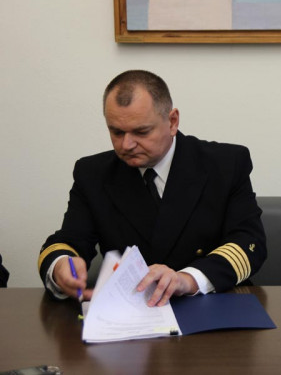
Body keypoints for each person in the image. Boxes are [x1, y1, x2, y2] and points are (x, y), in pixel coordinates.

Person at [38, 70, 266, 306]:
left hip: (212, 306)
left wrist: (187, 279)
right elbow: (69, 241)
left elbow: (249, 243)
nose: (127, 144)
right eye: (116, 132)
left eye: (141, 132)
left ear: (172, 121)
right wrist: (61, 267)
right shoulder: (93, 174)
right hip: (133, 314)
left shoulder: (225, 164)